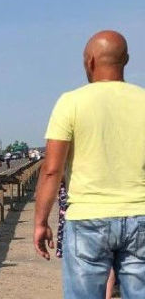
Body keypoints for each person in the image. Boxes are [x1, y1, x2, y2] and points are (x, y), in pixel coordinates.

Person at [34, 30, 145, 299]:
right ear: (126, 60)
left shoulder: (70, 103)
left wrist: (40, 221)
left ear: (90, 62)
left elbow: (52, 170)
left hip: (86, 221)